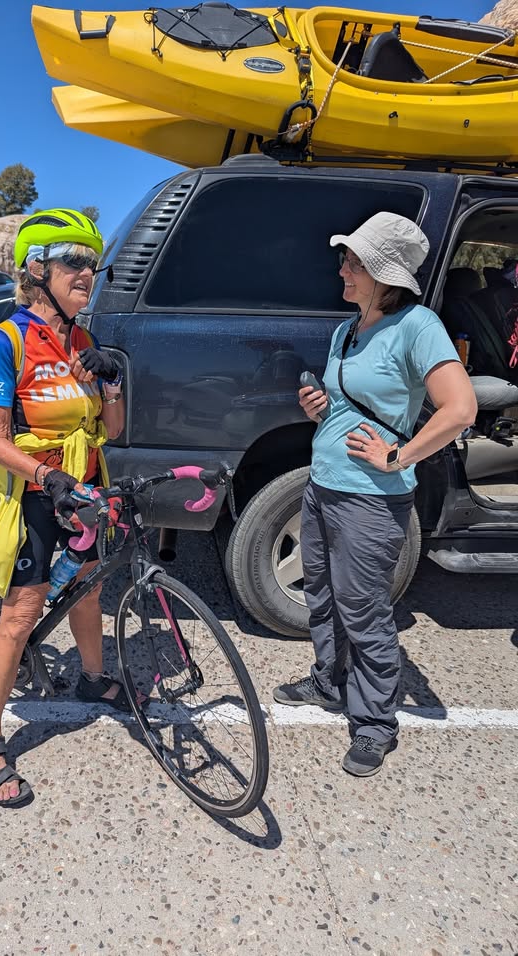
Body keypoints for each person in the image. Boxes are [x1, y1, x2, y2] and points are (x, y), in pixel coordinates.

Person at [272, 212, 477, 777]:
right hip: (322, 486)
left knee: (363, 610)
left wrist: (398, 456)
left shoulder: (419, 326)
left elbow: (461, 409)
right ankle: (326, 679)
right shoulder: (349, 328)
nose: (342, 268)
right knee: (321, 594)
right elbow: (349, 401)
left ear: (386, 275)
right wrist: (319, 408)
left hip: (372, 498)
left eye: (353, 262)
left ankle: (374, 724)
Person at [0, 209, 126, 806]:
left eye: (94, 262)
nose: (89, 272)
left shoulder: (83, 342)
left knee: (88, 586)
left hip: (83, 489)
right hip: (35, 492)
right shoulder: (5, 342)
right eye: (75, 261)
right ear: (37, 269)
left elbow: (111, 429)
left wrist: (112, 381)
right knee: (21, 612)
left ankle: (90, 678)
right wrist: (47, 476)